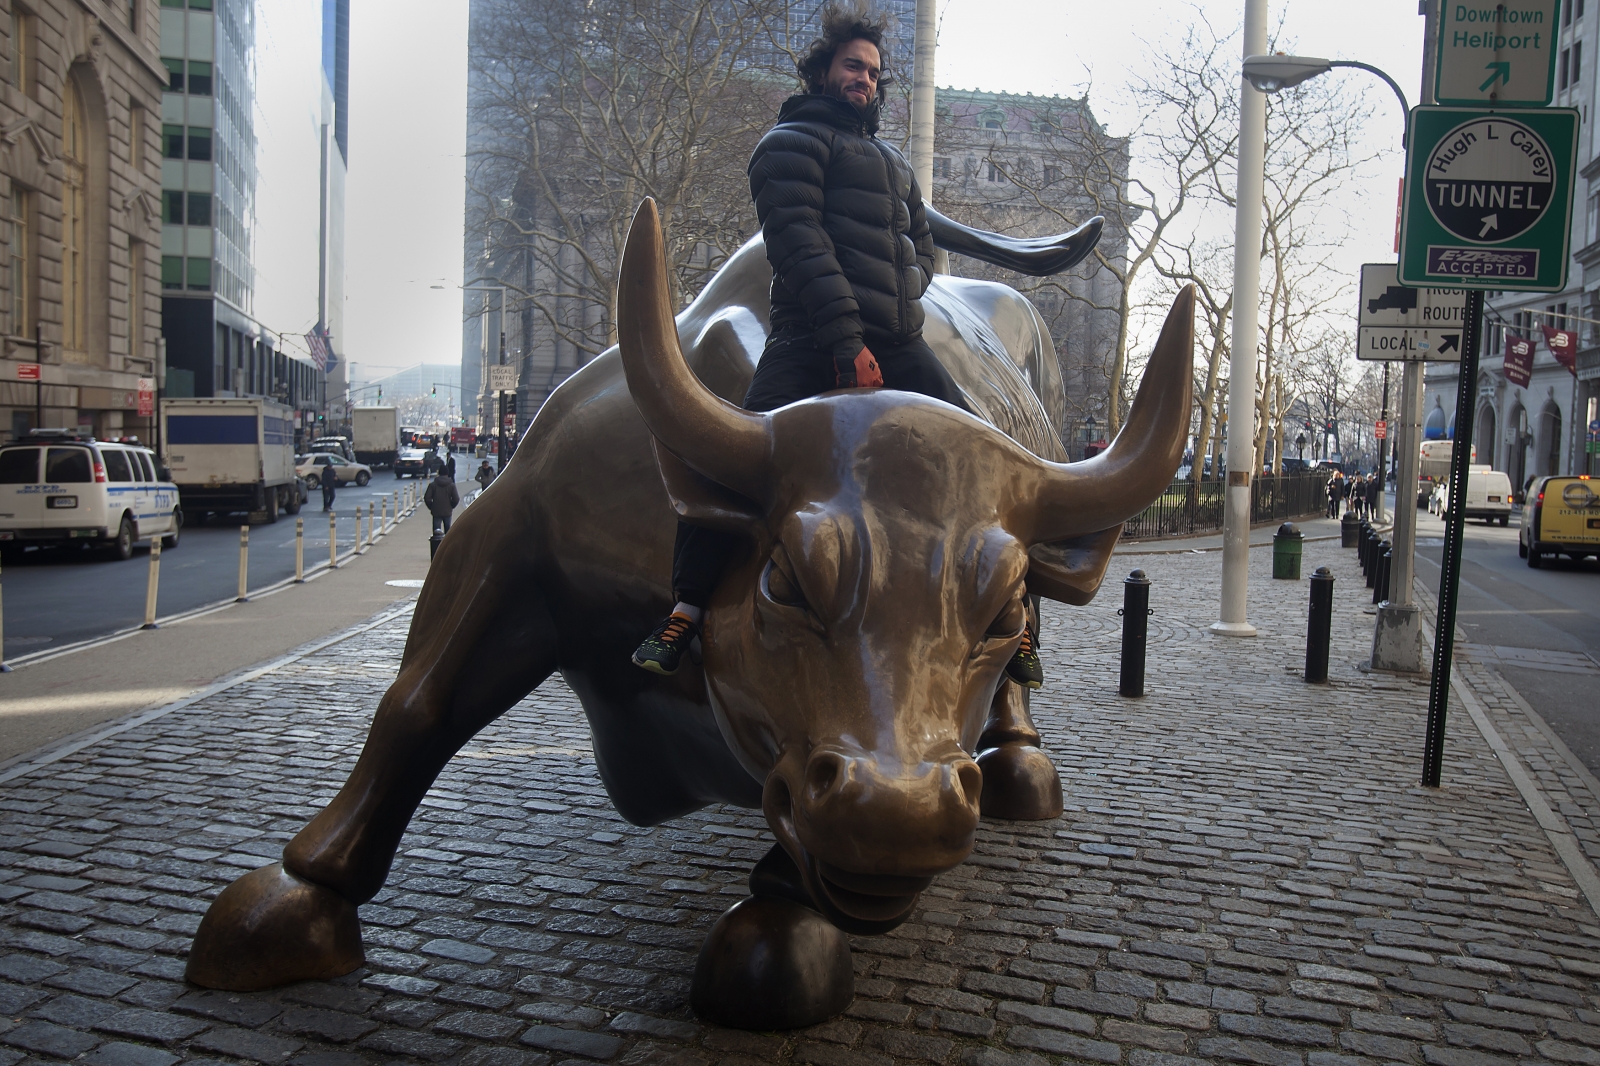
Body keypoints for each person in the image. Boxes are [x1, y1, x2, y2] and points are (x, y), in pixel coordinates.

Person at [629, 3, 1043, 691]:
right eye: (854, 66)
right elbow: (800, 248)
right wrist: (849, 342)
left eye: (875, 72)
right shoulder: (785, 145)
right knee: (727, 460)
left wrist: (903, 304)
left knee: (979, 460)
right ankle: (685, 609)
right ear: (824, 70)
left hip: (898, 342)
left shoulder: (892, 163)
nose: (866, 80)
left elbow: (921, 251)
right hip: (808, 338)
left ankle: (1015, 612)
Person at [424, 469, 460, 536]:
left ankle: (437, 545)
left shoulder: (433, 485)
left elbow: (427, 498)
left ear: (439, 473)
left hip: (436, 510)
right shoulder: (451, 485)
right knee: (448, 532)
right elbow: (456, 499)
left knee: (436, 532)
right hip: (447, 510)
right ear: (447, 474)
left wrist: (432, 507)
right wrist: (451, 506)